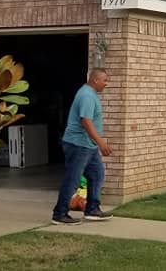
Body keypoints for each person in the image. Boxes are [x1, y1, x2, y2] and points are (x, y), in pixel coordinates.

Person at [52, 68, 114, 225]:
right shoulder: (87, 95)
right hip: (78, 144)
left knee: (97, 174)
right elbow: (85, 121)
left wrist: (96, 143)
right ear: (95, 80)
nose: (106, 83)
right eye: (104, 80)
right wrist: (101, 142)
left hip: (88, 145)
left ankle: (92, 209)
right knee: (73, 179)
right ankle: (60, 214)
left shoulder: (90, 93)